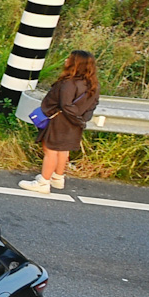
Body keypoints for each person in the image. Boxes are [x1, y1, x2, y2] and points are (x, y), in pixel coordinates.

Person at [21, 50, 100, 194]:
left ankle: (43, 182)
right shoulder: (93, 85)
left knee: (50, 150)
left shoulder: (69, 83)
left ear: (75, 64)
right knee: (63, 149)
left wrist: (73, 117)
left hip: (59, 121)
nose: (66, 60)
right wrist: (81, 119)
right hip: (75, 123)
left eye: (69, 58)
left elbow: (65, 105)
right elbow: (93, 104)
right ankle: (57, 177)